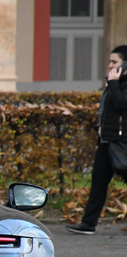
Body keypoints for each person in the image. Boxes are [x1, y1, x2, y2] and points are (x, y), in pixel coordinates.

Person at [67, 45, 127, 234]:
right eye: (109, 61)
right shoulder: (113, 83)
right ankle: (88, 223)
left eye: (114, 62)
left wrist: (114, 83)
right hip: (107, 140)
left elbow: (120, 104)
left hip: (122, 142)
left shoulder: (117, 83)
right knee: (99, 181)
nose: (110, 66)